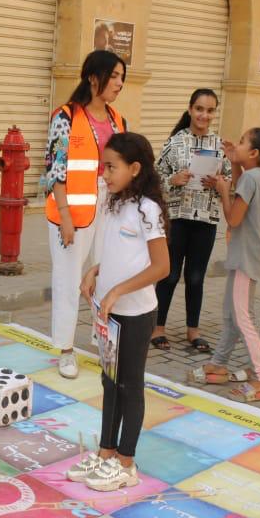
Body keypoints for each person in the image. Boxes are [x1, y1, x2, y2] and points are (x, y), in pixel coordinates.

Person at [70, 132, 168, 492]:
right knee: (110, 383)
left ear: (135, 168)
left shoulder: (148, 209)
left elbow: (161, 266)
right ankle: (106, 452)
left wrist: (118, 290)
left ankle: (127, 462)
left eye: (112, 167)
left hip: (136, 314)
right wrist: (94, 272)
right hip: (108, 315)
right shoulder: (112, 202)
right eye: (104, 166)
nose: (105, 174)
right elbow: (116, 253)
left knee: (129, 385)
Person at [42, 50, 128, 378]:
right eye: (114, 76)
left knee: (107, 275)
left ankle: (102, 343)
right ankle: (66, 349)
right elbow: (55, 169)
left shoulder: (118, 119)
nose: (119, 83)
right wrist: (64, 216)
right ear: (94, 77)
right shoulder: (65, 116)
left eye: (122, 77)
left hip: (110, 207)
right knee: (68, 279)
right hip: (73, 210)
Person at [189, 128, 260, 401]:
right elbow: (244, 190)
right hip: (248, 254)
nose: (236, 144)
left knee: (242, 318)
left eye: (241, 142)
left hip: (246, 257)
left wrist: (223, 191)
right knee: (231, 314)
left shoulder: (252, 177)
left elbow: (234, 219)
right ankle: (219, 364)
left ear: (254, 153)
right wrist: (235, 163)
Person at [152, 89, 234, 353]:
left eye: (210, 110)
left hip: (206, 220)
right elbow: (154, 180)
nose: (204, 115)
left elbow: (231, 182)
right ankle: (158, 328)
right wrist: (172, 180)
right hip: (177, 219)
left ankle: (193, 331)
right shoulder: (175, 142)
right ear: (190, 110)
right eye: (199, 109)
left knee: (196, 278)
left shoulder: (220, 146)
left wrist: (219, 183)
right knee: (170, 275)